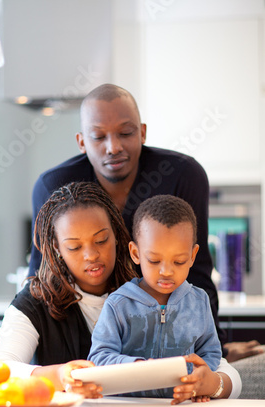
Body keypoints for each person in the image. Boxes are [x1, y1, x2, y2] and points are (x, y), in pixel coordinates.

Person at [29, 83, 263, 363]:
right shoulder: (54, 185)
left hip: (158, 342)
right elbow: (41, 275)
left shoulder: (183, 175)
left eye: (126, 133)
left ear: (142, 132)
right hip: (75, 334)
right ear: (81, 142)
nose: (113, 147)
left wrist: (215, 348)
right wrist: (20, 332)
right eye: (98, 137)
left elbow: (196, 272)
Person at [88, 195, 240, 404]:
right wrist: (140, 367)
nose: (166, 271)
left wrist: (201, 379)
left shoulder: (199, 302)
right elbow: (98, 358)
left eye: (179, 261)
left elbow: (211, 352)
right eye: (154, 260)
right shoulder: (118, 304)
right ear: (135, 253)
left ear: (193, 255)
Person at [0, 181, 135, 396]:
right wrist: (58, 376)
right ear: (57, 247)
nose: (91, 255)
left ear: (116, 234)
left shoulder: (146, 291)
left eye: (101, 240)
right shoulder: (35, 301)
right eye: (74, 247)